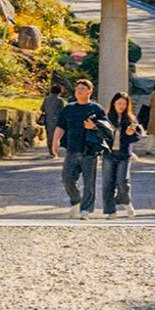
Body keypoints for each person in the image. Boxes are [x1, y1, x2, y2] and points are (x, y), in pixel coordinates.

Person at [51, 78, 113, 219]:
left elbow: (107, 128)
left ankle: (86, 210)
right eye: (78, 88)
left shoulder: (96, 108)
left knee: (89, 182)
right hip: (72, 149)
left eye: (83, 88)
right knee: (67, 178)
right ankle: (76, 201)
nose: (79, 91)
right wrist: (55, 141)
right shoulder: (69, 108)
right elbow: (60, 126)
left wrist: (94, 126)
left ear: (90, 91)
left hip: (90, 151)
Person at [101, 92, 143, 218]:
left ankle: (126, 201)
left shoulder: (130, 118)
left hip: (124, 154)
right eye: (119, 103)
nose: (121, 106)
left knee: (123, 182)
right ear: (114, 103)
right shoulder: (107, 118)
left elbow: (138, 135)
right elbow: (100, 133)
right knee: (108, 183)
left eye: (124, 104)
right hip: (109, 154)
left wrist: (131, 134)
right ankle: (110, 211)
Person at [38, 83, 65, 157]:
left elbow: (42, 108)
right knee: (57, 137)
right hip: (58, 120)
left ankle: (51, 152)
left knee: (49, 136)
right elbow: (62, 111)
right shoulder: (60, 100)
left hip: (48, 120)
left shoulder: (46, 99)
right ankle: (55, 150)